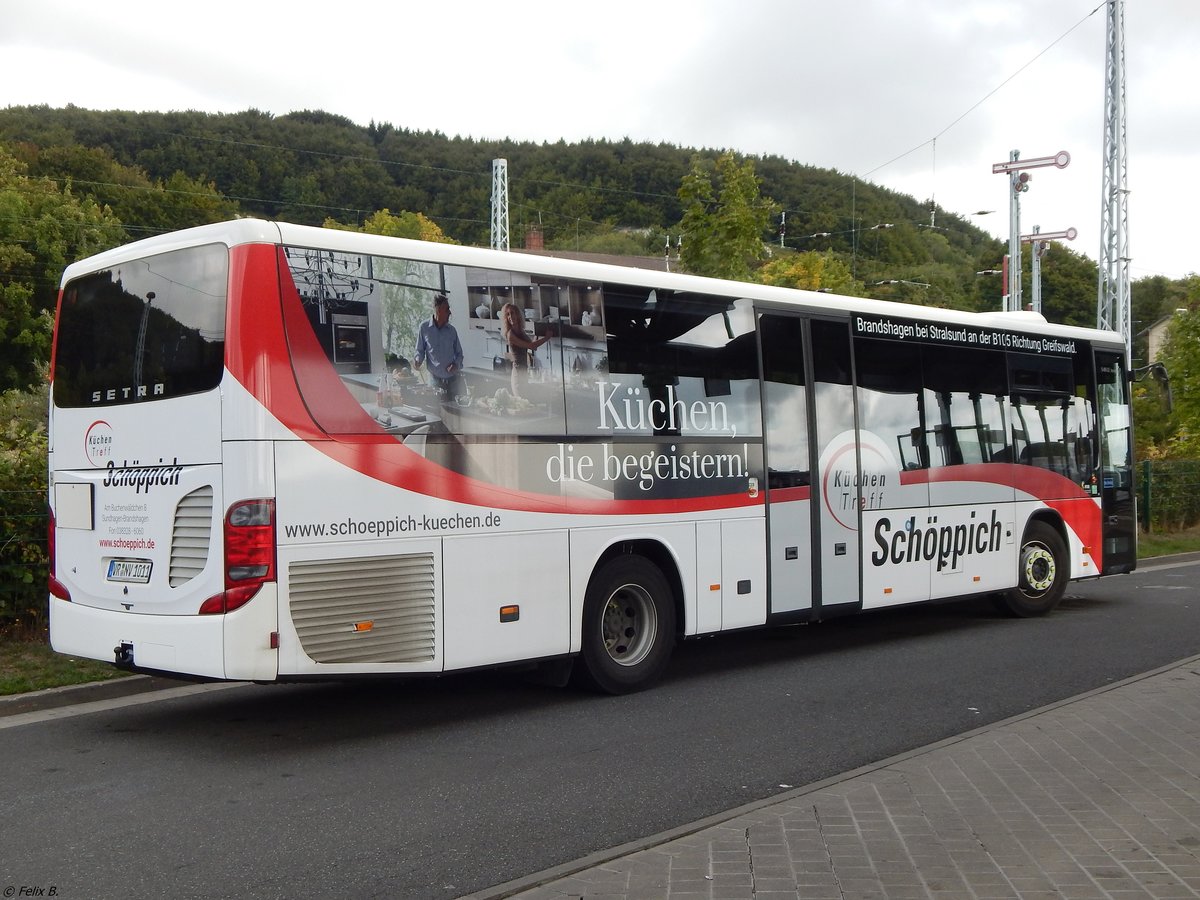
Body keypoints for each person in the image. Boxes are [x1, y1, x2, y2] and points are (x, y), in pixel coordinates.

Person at [414, 294, 464, 397]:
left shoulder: (452, 331)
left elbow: (459, 354)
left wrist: (456, 364)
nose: (450, 312)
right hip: (434, 382)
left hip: (453, 382)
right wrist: (418, 360)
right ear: (439, 310)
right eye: (447, 309)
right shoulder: (424, 328)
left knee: (455, 411)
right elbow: (420, 351)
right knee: (435, 411)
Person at [500, 302, 552, 398]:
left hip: (523, 372)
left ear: (517, 314)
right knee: (522, 402)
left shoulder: (520, 330)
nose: (510, 316)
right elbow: (531, 346)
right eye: (508, 314)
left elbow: (533, 346)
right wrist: (546, 338)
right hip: (518, 374)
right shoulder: (510, 334)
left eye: (512, 313)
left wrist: (538, 332)